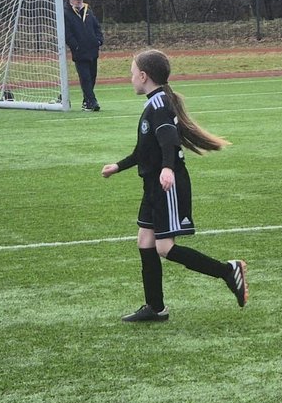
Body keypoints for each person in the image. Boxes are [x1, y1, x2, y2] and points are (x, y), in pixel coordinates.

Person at [101, 49, 247, 322]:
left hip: (166, 185)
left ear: (143, 76)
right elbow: (143, 151)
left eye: (132, 73)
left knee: (164, 248)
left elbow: (169, 140)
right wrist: (118, 167)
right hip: (154, 185)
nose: (130, 78)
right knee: (145, 241)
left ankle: (228, 270)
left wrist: (167, 168)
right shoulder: (155, 103)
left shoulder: (158, 106)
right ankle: (155, 308)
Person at [63, 0, 104, 111]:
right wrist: (76, 46)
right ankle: (92, 102)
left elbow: (97, 27)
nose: (78, 0)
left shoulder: (88, 11)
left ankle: (86, 102)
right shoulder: (66, 13)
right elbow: (68, 34)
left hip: (92, 50)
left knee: (92, 77)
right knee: (85, 77)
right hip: (80, 52)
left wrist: (98, 40)